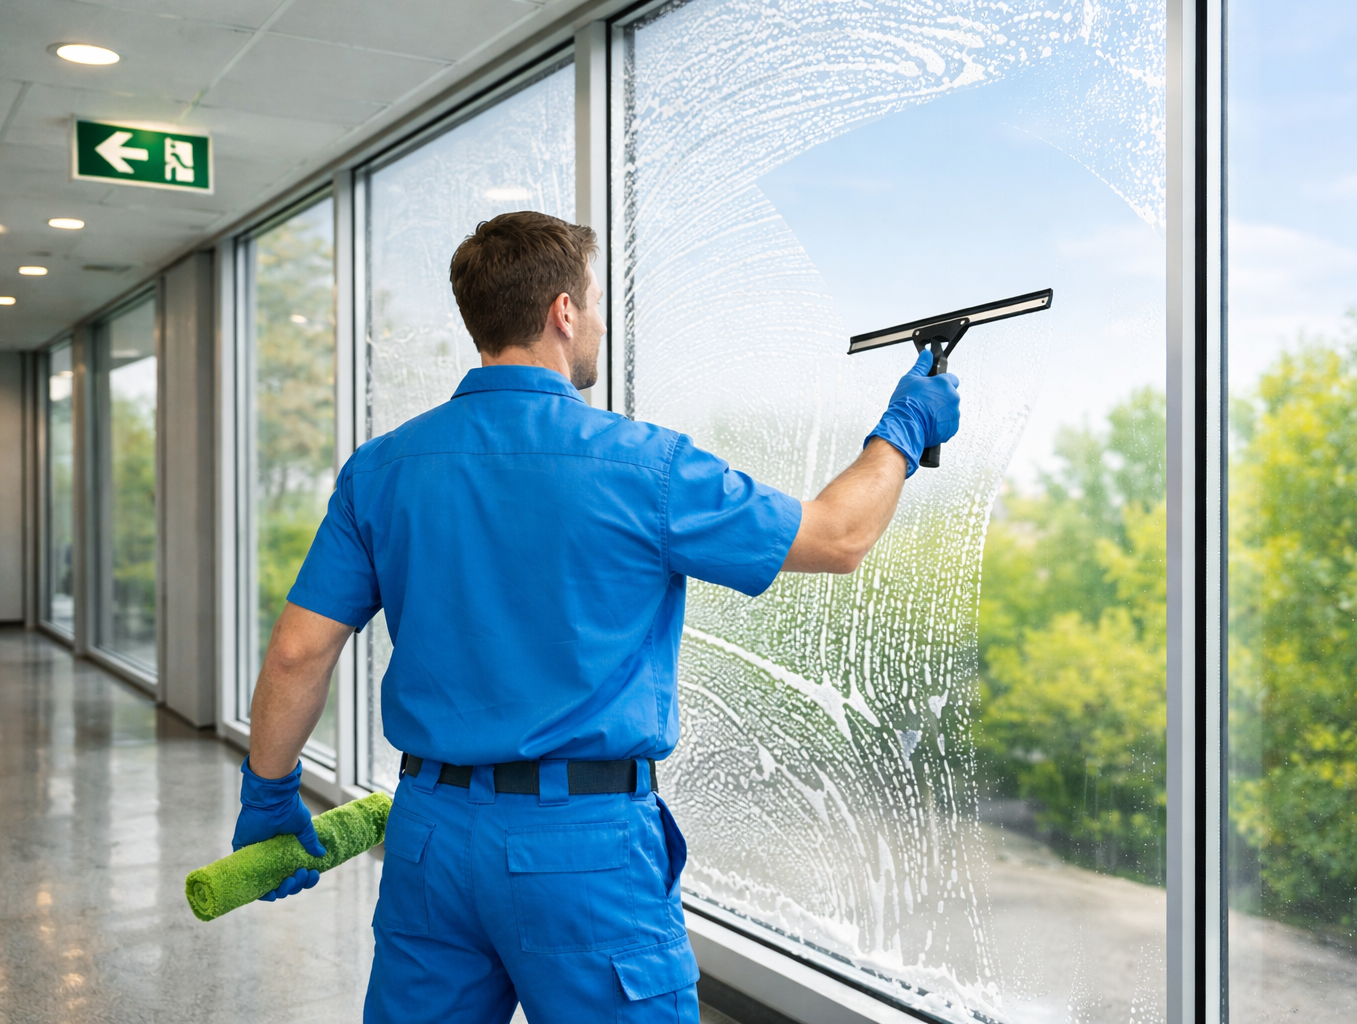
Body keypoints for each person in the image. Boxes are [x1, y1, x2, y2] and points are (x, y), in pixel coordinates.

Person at [233, 211, 961, 1023]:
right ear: (563, 312)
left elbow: (299, 653)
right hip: (582, 854)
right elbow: (838, 535)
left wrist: (268, 799)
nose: (601, 324)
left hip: (429, 841)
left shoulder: (381, 470)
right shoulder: (645, 466)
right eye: (596, 303)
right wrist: (905, 426)